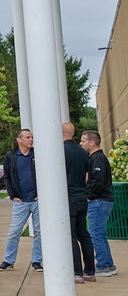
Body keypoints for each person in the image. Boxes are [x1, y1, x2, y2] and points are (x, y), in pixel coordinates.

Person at [0, 128, 42, 271]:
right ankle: (8, 260)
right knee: (14, 231)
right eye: (28, 137)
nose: (31, 140)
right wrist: (13, 196)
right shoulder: (11, 156)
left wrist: (41, 193)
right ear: (19, 139)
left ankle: (37, 261)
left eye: (31, 137)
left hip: (37, 201)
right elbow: (7, 177)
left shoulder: (37, 154)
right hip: (20, 202)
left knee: (39, 231)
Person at [63, 121, 95, 283]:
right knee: (84, 234)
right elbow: (87, 176)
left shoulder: (60, 151)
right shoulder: (83, 152)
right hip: (81, 197)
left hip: (68, 198)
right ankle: (90, 271)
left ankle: (77, 272)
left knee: (71, 236)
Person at [82, 130, 116, 277]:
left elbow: (98, 181)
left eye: (83, 141)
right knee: (99, 234)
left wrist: (89, 195)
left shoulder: (98, 159)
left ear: (92, 143)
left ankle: (102, 265)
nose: (81, 143)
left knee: (95, 233)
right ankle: (108, 264)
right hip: (101, 200)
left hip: (99, 201)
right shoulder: (96, 158)